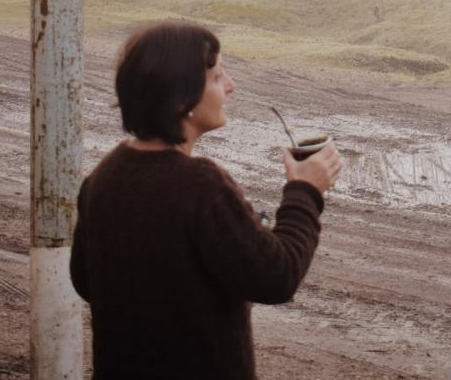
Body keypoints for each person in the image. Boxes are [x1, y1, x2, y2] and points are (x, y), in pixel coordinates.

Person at [70, 20, 343, 380]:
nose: (231, 86)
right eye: (217, 77)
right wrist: (305, 193)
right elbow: (276, 277)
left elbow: (85, 281)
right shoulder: (200, 186)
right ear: (181, 96)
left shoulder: (103, 178)